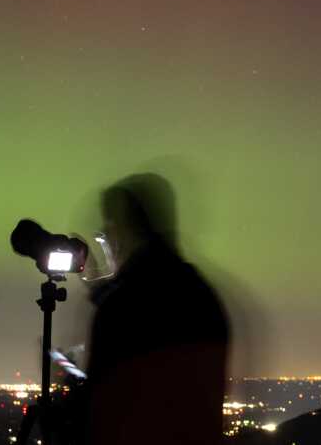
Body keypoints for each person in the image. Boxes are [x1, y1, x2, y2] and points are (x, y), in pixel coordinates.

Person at [83, 173, 229, 445]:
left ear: (126, 229)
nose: (107, 240)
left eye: (108, 228)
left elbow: (104, 417)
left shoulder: (125, 306)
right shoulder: (201, 295)